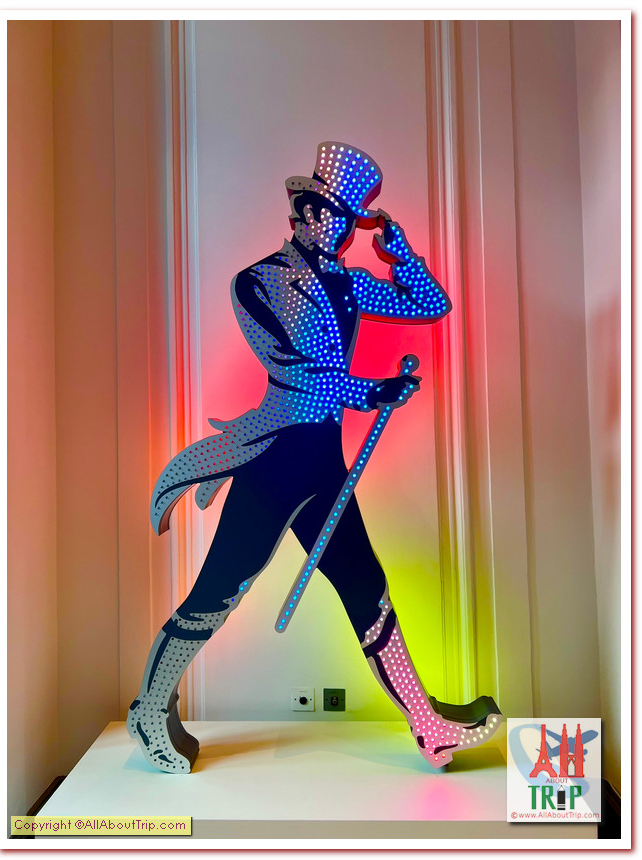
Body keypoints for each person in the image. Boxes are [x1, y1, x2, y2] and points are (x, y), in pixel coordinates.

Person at [127, 141, 502, 774]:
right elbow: (297, 375)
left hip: (324, 465)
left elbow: (429, 306)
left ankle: (428, 725)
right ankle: (149, 706)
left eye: (351, 222)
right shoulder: (257, 282)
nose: (343, 232)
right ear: (303, 210)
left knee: (367, 588)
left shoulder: (349, 284)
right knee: (219, 591)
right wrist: (370, 391)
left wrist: (400, 253)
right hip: (275, 461)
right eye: (334, 216)